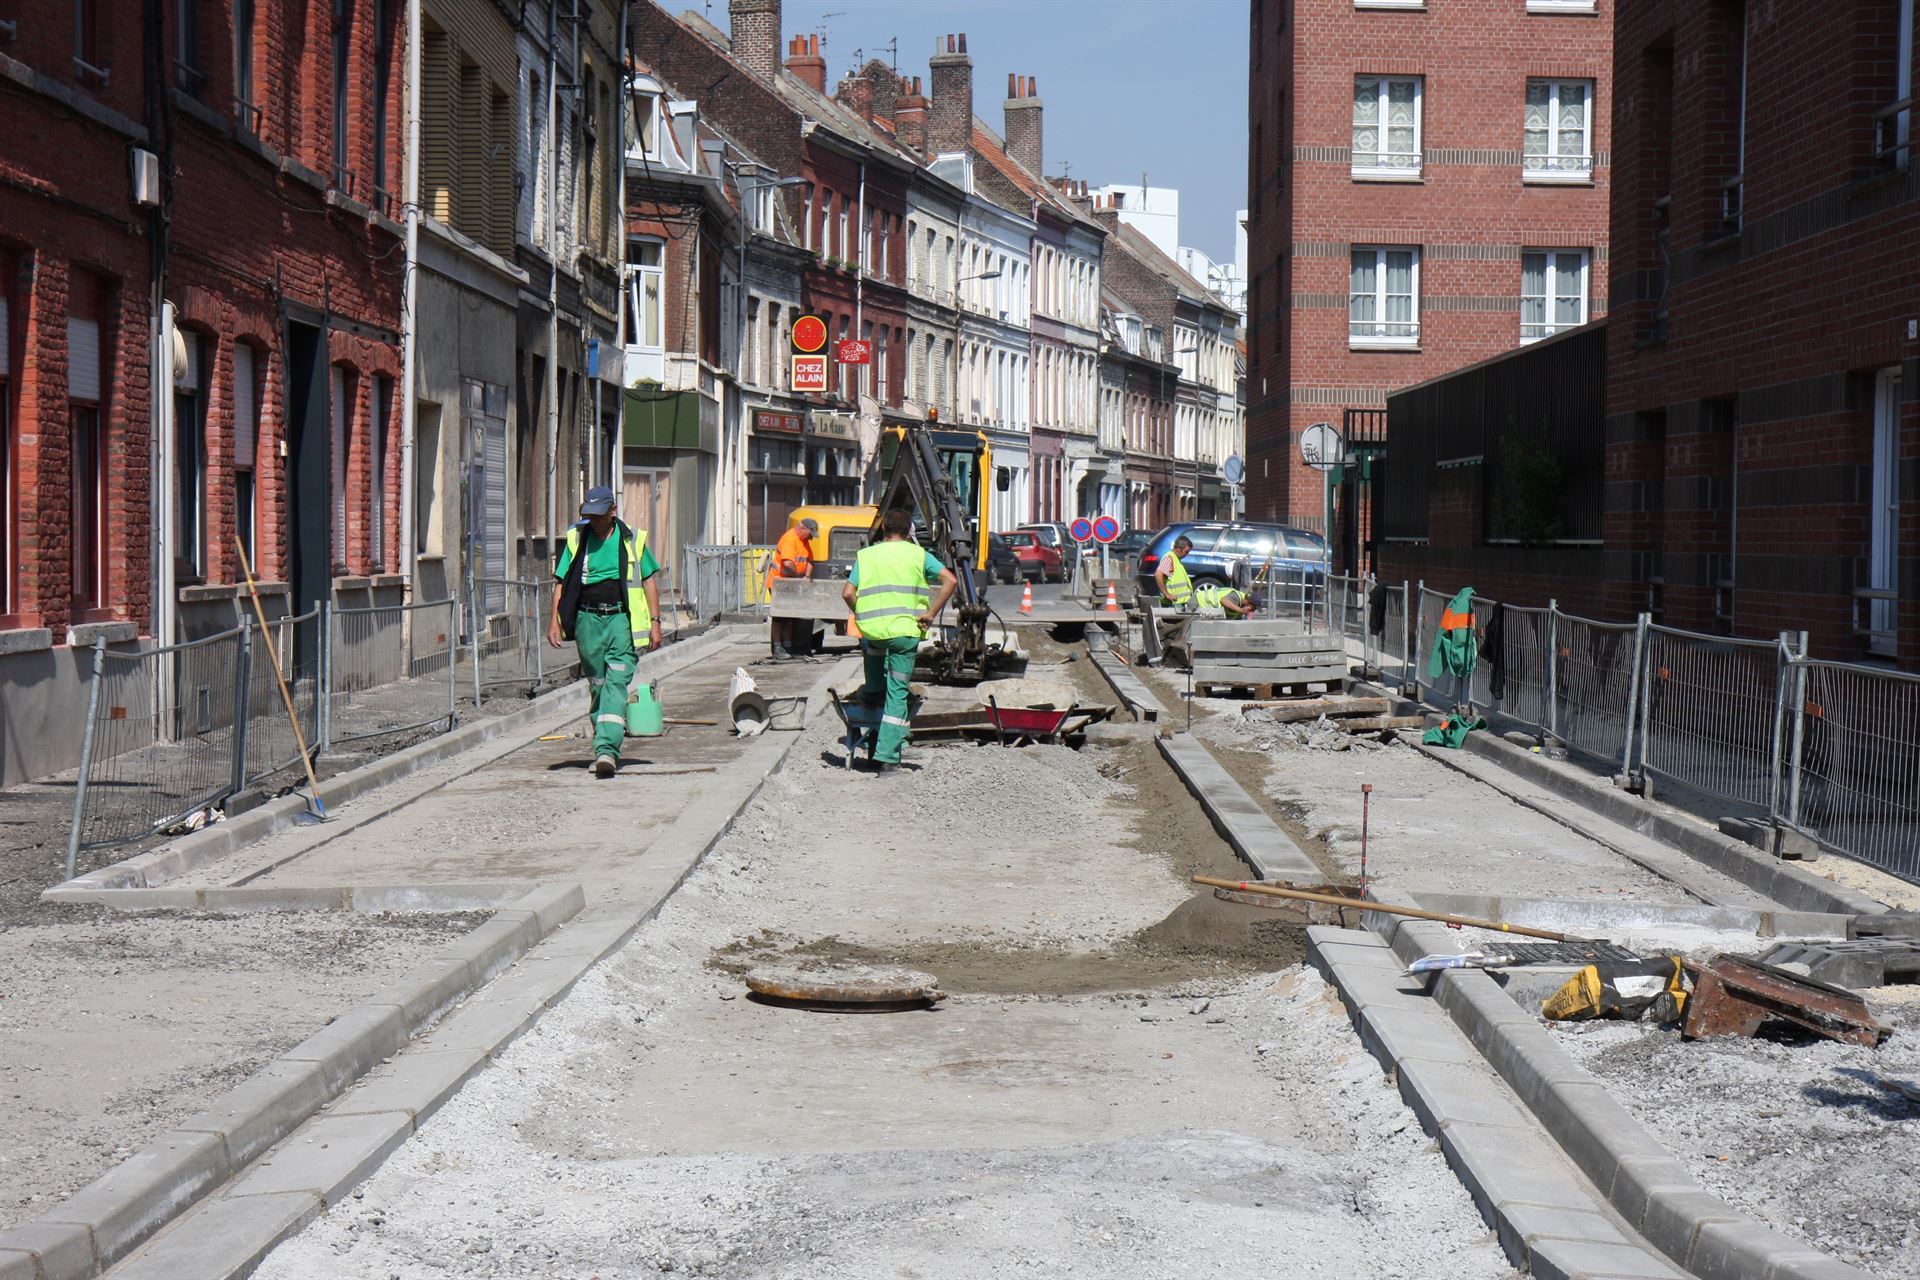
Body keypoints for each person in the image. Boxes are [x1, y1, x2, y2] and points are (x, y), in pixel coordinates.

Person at [547, 486, 663, 777]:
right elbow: (560, 584)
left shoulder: (631, 539)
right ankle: (604, 743)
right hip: (588, 621)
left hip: (620, 621)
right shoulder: (577, 538)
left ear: (613, 511)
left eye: (599, 516)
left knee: (616, 681)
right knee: (598, 685)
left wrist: (655, 622)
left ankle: (606, 750)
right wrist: (554, 622)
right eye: (589, 516)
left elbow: (648, 580)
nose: (594, 521)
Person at [840, 508, 958, 768]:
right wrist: (930, 613)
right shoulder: (918, 554)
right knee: (897, 694)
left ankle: (871, 706)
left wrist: (863, 614)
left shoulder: (867, 555)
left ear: (883, 529)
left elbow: (848, 592)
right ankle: (888, 759)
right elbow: (950, 580)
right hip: (904, 633)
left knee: (874, 681)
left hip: (872, 633)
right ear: (908, 533)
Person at [766, 516, 820, 658]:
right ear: (802, 528)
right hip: (780, 584)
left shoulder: (804, 541)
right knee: (780, 617)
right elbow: (787, 564)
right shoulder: (790, 539)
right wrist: (798, 579)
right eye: (810, 534)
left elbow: (809, 561)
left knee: (791, 615)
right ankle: (778, 648)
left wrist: (806, 577)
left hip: (792, 584)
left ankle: (788, 646)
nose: (811, 538)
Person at [1155, 535, 1196, 608]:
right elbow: (1158, 574)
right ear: (1178, 549)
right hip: (1172, 604)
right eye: (1186, 552)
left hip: (1178, 604)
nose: (1187, 554)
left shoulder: (1176, 559)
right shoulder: (1169, 558)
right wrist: (1166, 594)